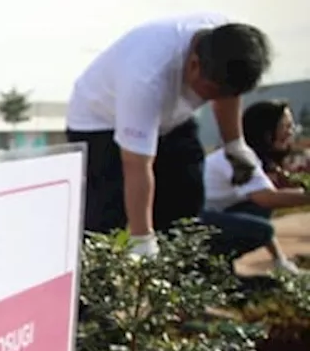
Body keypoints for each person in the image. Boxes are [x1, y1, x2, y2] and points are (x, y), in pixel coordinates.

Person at [65, 14, 273, 256]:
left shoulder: (228, 44)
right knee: (108, 214)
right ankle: (96, 278)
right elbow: (136, 164)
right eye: (211, 92)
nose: (212, 100)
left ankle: (179, 265)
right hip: (99, 122)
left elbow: (228, 94)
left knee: (186, 194)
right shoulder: (145, 76)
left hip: (171, 118)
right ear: (194, 64)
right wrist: (142, 239)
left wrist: (235, 145)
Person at [201, 99, 310, 273]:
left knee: (258, 211)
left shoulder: (249, 156)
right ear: (267, 133)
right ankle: (209, 268)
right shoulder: (240, 157)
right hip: (190, 221)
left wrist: (279, 260)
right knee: (262, 229)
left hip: (206, 216)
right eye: (286, 127)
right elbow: (267, 198)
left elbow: (265, 200)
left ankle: (277, 263)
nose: (291, 132)